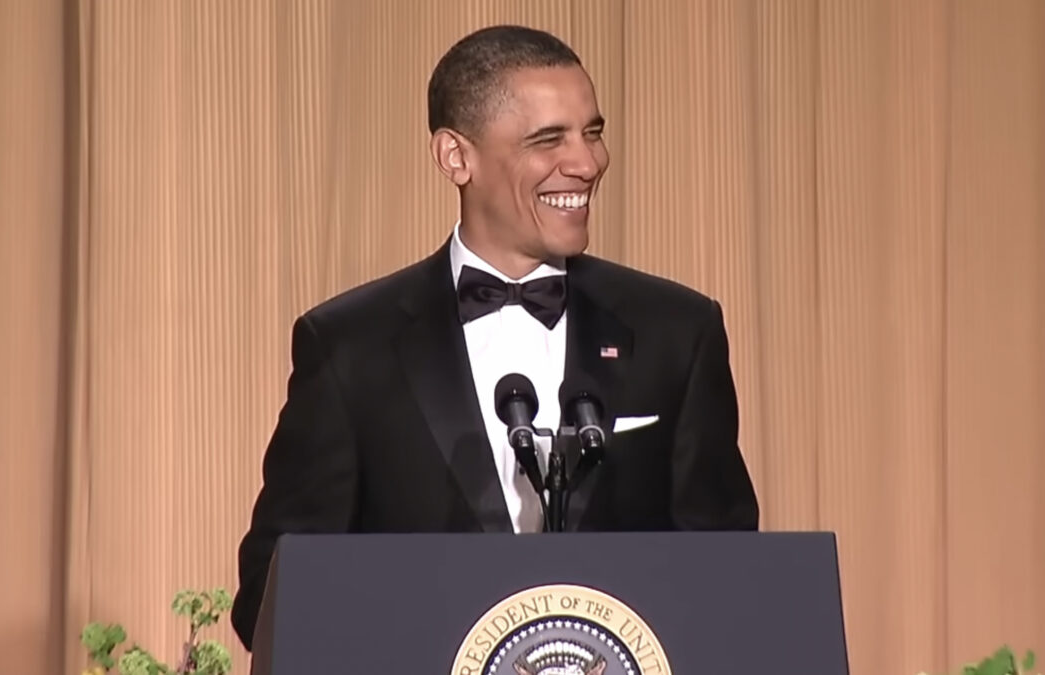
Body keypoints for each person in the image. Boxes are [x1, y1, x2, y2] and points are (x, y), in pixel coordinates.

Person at [231, 24, 759, 650]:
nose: (588, 163)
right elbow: (274, 596)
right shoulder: (350, 348)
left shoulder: (677, 331)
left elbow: (729, 579)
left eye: (592, 132)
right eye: (548, 139)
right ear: (457, 157)